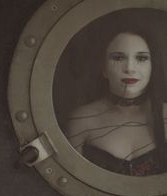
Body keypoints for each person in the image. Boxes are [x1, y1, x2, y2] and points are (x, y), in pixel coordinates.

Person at [65, 18, 167, 176]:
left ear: (153, 66)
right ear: (104, 68)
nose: (130, 68)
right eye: (118, 58)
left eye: (141, 58)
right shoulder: (81, 120)